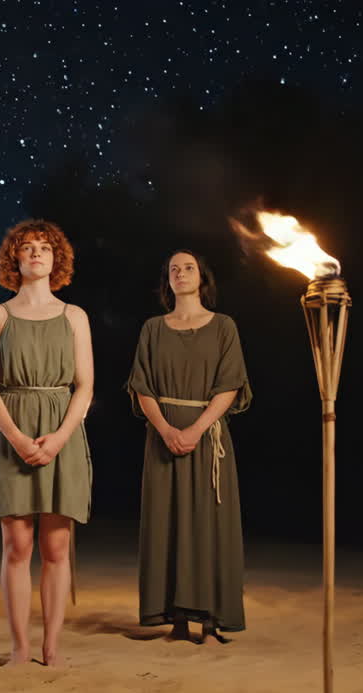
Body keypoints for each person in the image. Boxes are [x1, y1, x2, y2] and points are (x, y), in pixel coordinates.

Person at [0, 220, 93, 667]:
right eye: (28, 247)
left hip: (63, 430)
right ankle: (20, 649)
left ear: (57, 259)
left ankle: (52, 648)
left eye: (45, 247)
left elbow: (85, 386)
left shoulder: (75, 316)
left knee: (58, 547)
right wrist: (20, 439)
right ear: (15, 259)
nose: (37, 253)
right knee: (17, 547)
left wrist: (60, 438)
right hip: (11, 431)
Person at [127, 250, 252, 644]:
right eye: (173, 269)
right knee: (168, 521)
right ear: (167, 280)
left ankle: (212, 615)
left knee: (209, 523)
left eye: (189, 268)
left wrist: (196, 429)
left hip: (207, 435)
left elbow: (230, 385)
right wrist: (165, 429)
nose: (181, 273)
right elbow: (142, 386)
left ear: (203, 277)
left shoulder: (224, 327)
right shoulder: (152, 328)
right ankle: (176, 614)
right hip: (162, 438)